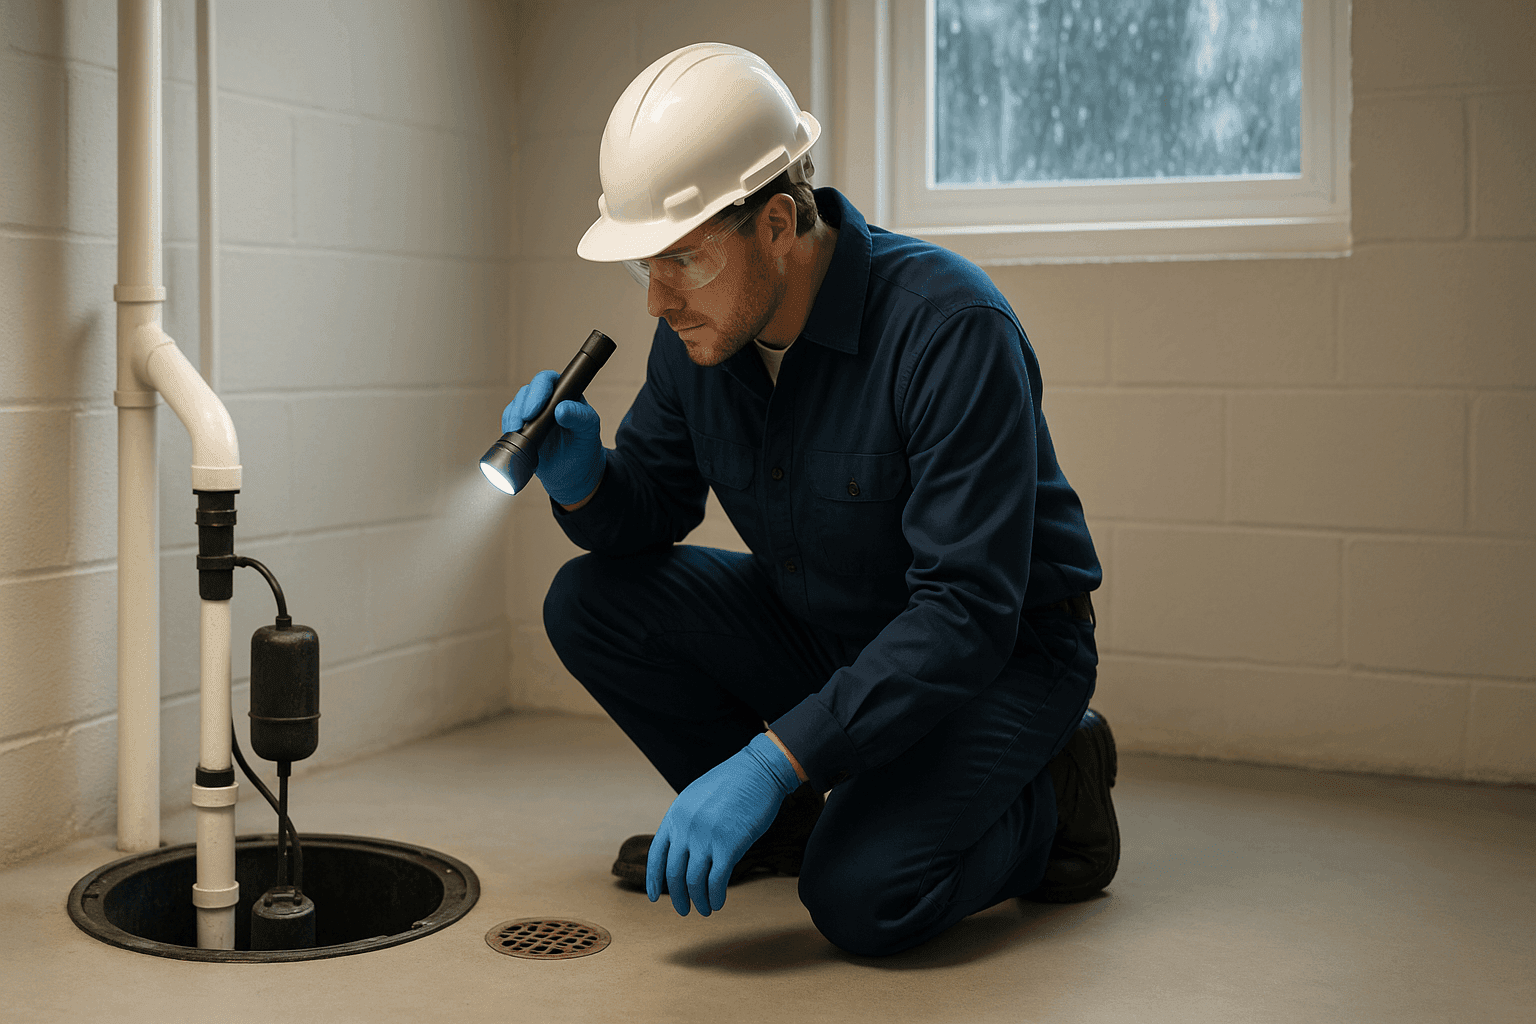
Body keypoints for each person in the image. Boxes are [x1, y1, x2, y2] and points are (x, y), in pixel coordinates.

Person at [499, 42, 1119, 958]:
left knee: (863, 897)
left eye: (682, 260)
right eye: (645, 267)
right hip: (831, 622)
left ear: (778, 224)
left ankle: (1056, 790)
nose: (658, 302)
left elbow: (963, 614)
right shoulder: (700, 337)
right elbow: (654, 511)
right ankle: (787, 826)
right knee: (590, 602)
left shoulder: (950, 330)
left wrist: (764, 760)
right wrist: (587, 482)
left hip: (1003, 654)